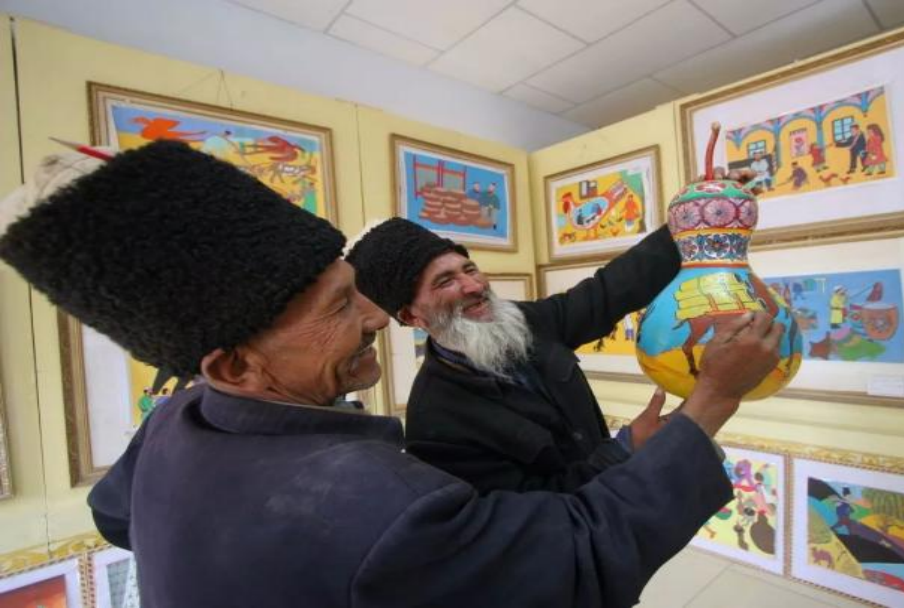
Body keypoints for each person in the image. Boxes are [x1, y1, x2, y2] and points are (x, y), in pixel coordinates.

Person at [0, 140, 782, 607]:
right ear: (235, 363)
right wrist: (712, 397)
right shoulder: (389, 480)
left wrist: (689, 221)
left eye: (468, 268)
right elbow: (565, 560)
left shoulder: (176, 422)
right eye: (343, 306)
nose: (369, 320)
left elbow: (114, 514)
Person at [347, 217, 681, 493]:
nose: (474, 286)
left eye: (469, 269)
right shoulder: (435, 422)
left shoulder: (526, 322)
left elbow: (607, 292)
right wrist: (624, 448)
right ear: (411, 316)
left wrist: (685, 224)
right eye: (445, 281)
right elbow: (535, 517)